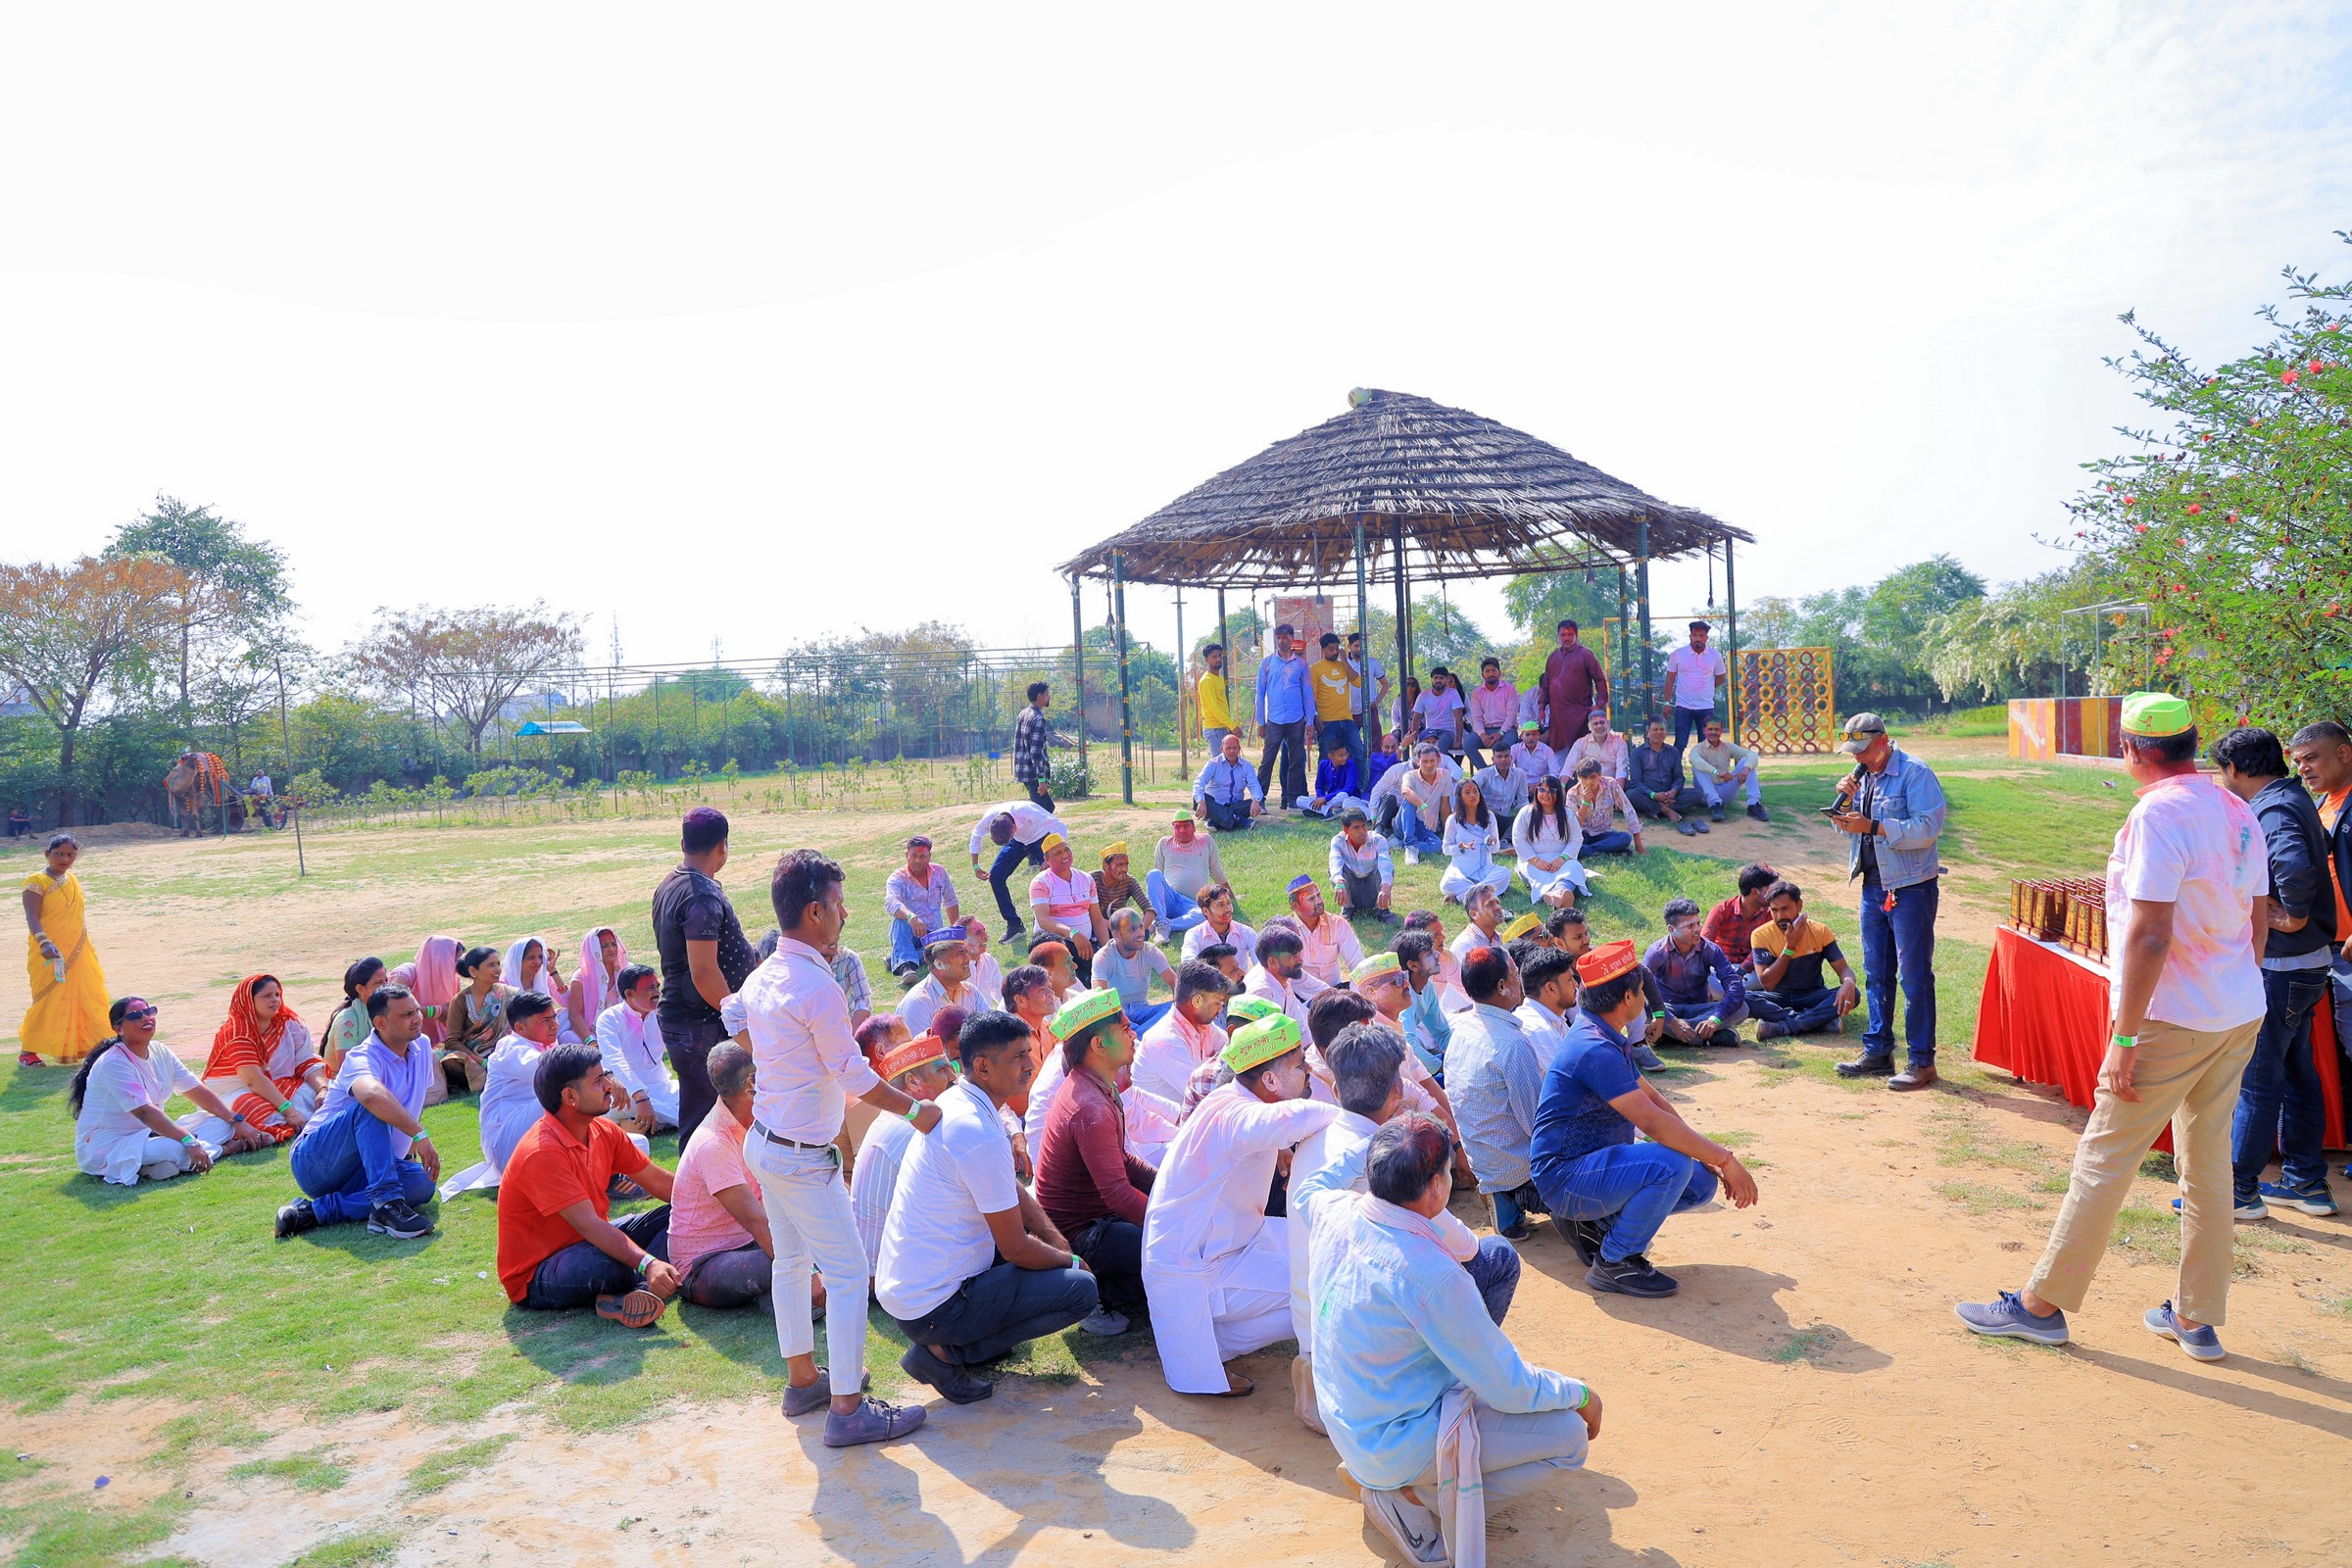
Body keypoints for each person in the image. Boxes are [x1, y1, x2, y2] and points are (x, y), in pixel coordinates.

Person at [1957, 693, 2270, 1361]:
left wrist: (2124, 1039)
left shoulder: (2159, 814)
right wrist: (2235, 983)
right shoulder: (2236, 808)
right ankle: (2195, 1317)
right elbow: (2258, 917)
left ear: (2130, 750)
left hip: (2170, 1018)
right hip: (2235, 1008)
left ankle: (2040, 1307)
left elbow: (2152, 933)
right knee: (2207, 1166)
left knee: (2105, 1158)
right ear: (2192, 743)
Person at [1316, 1113, 1597, 1565]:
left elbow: (1312, 1184)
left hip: (1349, 1424)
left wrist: (1381, 1142)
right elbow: (1508, 1386)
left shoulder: (1333, 1209)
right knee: (1570, 1437)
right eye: (1449, 1170)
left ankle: (1405, 1485)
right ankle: (1413, 1499)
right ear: (1435, 1187)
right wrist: (1580, 1394)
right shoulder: (1431, 1273)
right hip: (1393, 1444)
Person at [740, 849, 941, 1445]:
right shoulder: (815, 984)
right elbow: (853, 1074)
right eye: (838, 904)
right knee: (850, 1275)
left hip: (767, 1143)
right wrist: (916, 1110)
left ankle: (804, 1380)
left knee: (791, 1264)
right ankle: (848, 1409)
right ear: (814, 912)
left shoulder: (763, 975)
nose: (845, 914)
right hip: (800, 1155)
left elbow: (738, 1024)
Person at [1287, 1023, 1517, 1434]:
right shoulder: (1394, 1158)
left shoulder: (1316, 1138)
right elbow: (1465, 1248)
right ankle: (1456, 1381)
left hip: (1316, 1328)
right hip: (1372, 1347)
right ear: (1398, 1092)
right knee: (1497, 1255)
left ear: (1336, 1090)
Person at [879, 1009, 1102, 1403]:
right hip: (933, 1305)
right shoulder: (974, 1128)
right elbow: (1016, 1248)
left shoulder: (964, 1101)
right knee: (1081, 1290)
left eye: (1029, 1053)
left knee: (1051, 1264)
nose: (1030, 1065)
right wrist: (1069, 1261)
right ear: (982, 1067)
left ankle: (954, 1343)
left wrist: (1054, 1239)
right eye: (1018, 1056)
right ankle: (943, 1356)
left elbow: (1009, 1190)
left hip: (919, 1291)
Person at [1531, 942, 1758, 1298]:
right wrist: (1726, 1159)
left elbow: (1655, 1102)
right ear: (1627, 998)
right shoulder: (1593, 1047)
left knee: (1699, 1180)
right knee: (1671, 1165)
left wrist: (1708, 1158)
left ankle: (1595, 1225)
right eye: (1641, 990)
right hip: (1564, 1178)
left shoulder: (1602, 1032)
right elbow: (1653, 1124)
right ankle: (1616, 1261)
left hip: (1583, 1168)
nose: (1645, 998)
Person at [1144, 1014, 1342, 1396]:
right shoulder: (1235, 1112)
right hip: (1201, 1265)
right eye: (1299, 1066)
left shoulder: (1232, 1100)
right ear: (1269, 1080)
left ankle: (1212, 1340)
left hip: (1233, 1242)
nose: (1308, 1073)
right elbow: (1290, 1117)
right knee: (1324, 1285)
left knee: (1324, 1249)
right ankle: (1212, 1345)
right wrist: (1356, 1119)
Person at [2215, 725, 2334, 1220]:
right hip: (2306, 964)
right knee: (2296, 1072)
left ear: (2234, 769)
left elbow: (2294, 866)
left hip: (2283, 965)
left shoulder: (2274, 808)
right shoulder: (2291, 796)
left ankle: (2238, 1191)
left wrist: (2291, 917)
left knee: (2258, 1079)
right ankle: (2305, 1182)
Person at [494, 1041, 680, 1326]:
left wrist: (714, 1200)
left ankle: (642, 1290)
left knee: (681, 1216)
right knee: (610, 1265)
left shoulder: (603, 1130)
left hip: (589, 1242)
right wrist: (648, 1262)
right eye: (598, 1081)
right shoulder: (541, 1152)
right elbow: (590, 1225)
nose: (609, 1086)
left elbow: (658, 1182)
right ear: (570, 1096)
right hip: (538, 1274)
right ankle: (645, 1279)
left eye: (605, 1076)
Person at [1827, 713, 1949, 1091]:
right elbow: (1848, 828)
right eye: (1854, 752)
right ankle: (1878, 1051)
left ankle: (1922, 1061)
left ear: (1884, 741)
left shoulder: (1915, 773)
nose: (1858, 758)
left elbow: (1928, 827)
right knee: (1876, 972)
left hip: (1911, 887)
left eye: (1864, 750)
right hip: (1873, 885)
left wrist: (1875, 826)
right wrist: (1844, 805)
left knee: (1913, 975)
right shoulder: (1863, 777)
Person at [1035, 989, 1157, 1335]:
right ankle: (1094, 1292)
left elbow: (1121, 1160)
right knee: (1177, 1253)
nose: (1134, 1034)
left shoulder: (1096, 1085)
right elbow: (1118, 1194)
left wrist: (1165, 1186)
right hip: (1082, 1235)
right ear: (1099, 1045)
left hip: (1097, 1218)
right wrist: (1168, 1223)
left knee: (1175, 1245)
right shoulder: (1090, 1106)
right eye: (1124, 1029)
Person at [276, 984, 440, 1242]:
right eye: (407, 1014)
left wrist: (407, 1153)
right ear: (381, 1023)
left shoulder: (422, 1045)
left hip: (366, 1167)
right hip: (316, 1162)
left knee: (423, 1183)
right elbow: (371, 1096)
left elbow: (412, 1104)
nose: (417, 1018)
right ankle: (385, 1204)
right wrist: (420, 1135)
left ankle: (313, 1213)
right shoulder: (361, 1056)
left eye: (417, 1010)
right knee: (370, 1105)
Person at [653, 807, 760, 1146]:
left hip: (691, 1021)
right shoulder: (699, 896)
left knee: (705, 1116)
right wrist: (738, 1018)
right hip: (702, 1026)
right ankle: (700, 1181)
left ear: (684, 843)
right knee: (711, 1122)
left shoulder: (672, 883)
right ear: (723, 846)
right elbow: (703, 971)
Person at [71, 997, 253, 1184]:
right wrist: (189, 1141)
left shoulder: (160, 1050)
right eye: (135, 1016)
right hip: (110, 1146)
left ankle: (153, 1166)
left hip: (152, 1134)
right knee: (173, 1148)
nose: (145, 1018)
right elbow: (144, 1112)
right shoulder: (113, 1063)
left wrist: (235, 1120)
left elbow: (196, 1089)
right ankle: (228, 1149)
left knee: (222, 1124)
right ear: (119, 1029)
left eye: (149, 1012)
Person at [665, 1042, 786, 1311]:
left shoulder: (755, 1117)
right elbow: (755, 1221)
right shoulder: (714, 1143)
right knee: (795, 1259)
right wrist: (809, 1272)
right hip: (701, 1267)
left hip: (746, 1244)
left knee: (811, 1241)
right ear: (752, 1083)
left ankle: (780, 1291)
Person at [1445, 944, 1550, 1240]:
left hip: (1482, 1159)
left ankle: (1503, 1196)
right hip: (1516, 1164)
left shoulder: (1462, 1030)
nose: (1520, 980)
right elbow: (1536, 1122)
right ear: (1502, 986)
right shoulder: (1512, 1044)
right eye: (1515, 974)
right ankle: (1520, 1193)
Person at [2288, 721, 2352, 1189]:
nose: (2303, 768)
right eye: (2298, 760)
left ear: (2344, 753)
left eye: (2312, 757)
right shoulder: (2324, 803)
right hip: (2325, 951)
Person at [850, 1030, 960, 1270]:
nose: (954, 1077)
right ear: (913, 1083)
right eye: (943, 1069)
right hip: (888, 1271)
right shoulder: (911, 1132)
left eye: (951, 1067)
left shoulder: (898, 1119)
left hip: (887, 1263)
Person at [189, 974, 324, 1149]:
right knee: (252, 1106)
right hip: (235, 1092)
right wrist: (289, 1111)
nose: (275, 1000)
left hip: (279, 1085)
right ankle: (273, 1128)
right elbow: (253, 1080)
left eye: (277, 994)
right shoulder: (237, 1033)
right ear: (248, 1000)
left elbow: (307, 1060)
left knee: (317, 1093)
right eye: (267, 996)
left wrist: (323, 1089)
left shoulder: (289, 1024)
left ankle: (288, 1122)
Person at [20, 832, 110, 1066]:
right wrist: (43, 941)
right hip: (48, 950)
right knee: (48, 997)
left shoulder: (72, 879)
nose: (65, 859)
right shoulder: (36, 881)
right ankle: (28, 1051)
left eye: (71, 854)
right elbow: (31, 916)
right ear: (47, 854)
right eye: (59, 854)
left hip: (78, 950)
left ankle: (91, 1046)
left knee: (88, 995)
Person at [1130, 961, 1233, 1156]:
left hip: (1189, 1124)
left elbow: (1232, 1049)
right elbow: (1206, 1094)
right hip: (1159, 1140)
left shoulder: (1203, 1025)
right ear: (1197, 1001)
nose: (1221, 1009)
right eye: (1218, 1002)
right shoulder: (1166, 1041)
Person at [1748, 882, 1861, 1040]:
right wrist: (1790, 947)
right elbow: (1768, 984)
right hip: (1779, 998)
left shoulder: (1819, 931)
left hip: (1813, 996)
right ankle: (1818, 1022)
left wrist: (1848, 982)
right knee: (1742, 998)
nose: (1780, 916)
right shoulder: (1761, 935)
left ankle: (1783, 1026)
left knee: (1854, 993)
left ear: (1799, 905)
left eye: (1785, 908)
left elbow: (1844, 969)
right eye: (1774, 910)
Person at [1643, 897, 1749, 1046]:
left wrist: (1715, 1018)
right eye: (1690, 926)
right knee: (1642, 1009)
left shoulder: (1710, 949)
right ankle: (1703, 1036)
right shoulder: (1657, 952)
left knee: (1743, 1007)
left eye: (1698, 923)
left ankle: (1672, 1035)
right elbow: (1643, 989)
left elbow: (1734, 986)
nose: (1697, 929)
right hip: (1667, 1009)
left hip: (1701, 1010)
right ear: (1671, 930)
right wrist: (1672, 1022)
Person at [966, 799, 1070, 942]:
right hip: (1017, 842)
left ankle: (1053, 922)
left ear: (1014, 829)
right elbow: (976, 835)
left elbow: (1060, 827)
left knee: (1052, 877)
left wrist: (1051, 858)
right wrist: (975, 865)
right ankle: (1014, 925)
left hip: (1040, 839)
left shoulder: (1027, 810)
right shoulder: (990, 816)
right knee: (996, 877)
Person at [596, 964, 678, 1135]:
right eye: (650, 988)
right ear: (629, 994)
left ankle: (643, 1123)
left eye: (657, 987)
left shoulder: (661, 1014)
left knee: (695, 1093)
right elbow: (614, 1059)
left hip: (663, 1088)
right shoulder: (609, 1019)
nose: (657, 993)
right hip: (626, 1095)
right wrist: (640, 1096)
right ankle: (692, 1121)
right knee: (643, 1105)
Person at [883, 835, 962, 981]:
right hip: (908, 932)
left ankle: (896, 958)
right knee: (899, 922)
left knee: (944, 950)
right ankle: (907, 967)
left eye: (923, 856)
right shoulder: (897, 878)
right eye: (914, 856)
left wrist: (955, 931)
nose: (918, 860)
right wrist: (911, 917)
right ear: (906, 855)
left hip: (933, 933)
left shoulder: (939, 872)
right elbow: (890, 902)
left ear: (929, 856)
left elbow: (950, 900)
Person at [1029, 832, 1104, 983]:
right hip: (1055, 945)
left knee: (1105, 970)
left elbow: (1097, 920)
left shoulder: (1086, 879)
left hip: (1085, 943)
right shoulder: (1040, 883)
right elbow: (1044, 921)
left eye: (1066, 850)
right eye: (1058, 853)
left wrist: (1106, 950)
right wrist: (1073, 934)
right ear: (1047, 860)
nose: (1064, 855)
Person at [1256, 622, 1314, 810]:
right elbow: (1260, 694)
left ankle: (1293, 799)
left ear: (1291, 638)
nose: (1281, 641)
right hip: (1274, 719)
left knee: (1296, 760)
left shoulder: (1301, 664)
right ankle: (1259, 799)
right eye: (1279, 638)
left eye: (1285, 637)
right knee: (1267, 760)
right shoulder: (1267, 663)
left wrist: (1310, 721)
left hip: (1296, 719)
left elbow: (1308, 693)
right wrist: (1260, 722)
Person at [1512, 774, 1588, 910]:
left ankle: (1558, 893)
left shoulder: (1567, 814)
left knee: (1574, 867)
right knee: (1534, 872)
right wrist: (1536, 861)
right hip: (1533, 860)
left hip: (1561, 860)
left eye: (1550, 791)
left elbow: (1576, 838)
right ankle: (1557, 896)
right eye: (1542, 790)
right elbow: (1518, 839)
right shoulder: (1526, 812)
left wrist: (1562, 858)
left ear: (1558, 793)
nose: (1545, 794)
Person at [1095, 908, 1176, 1031]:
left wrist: (1178, 1010)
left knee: (1173, 1009)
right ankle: (1145, 1033)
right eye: (1132, 930)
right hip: (1117, 1014)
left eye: (1141, 927)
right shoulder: (1103, 956)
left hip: (1143, 1010)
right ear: (1117, 935)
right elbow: (1100, 997)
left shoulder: (1150, 951)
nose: (1140, 933)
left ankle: (1134, 1034)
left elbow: (1174, 981)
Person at [1539, 618, 1611, 754]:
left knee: (1582, 755)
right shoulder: (1553, 657)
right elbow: (1546, 686)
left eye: (1570, 634)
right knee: (1558, 757)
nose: (1566, 638)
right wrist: (1542, 708)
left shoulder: (1586, 655)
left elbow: (1600, 681)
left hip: (1580, 716)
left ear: (1576, 635)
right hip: (1558, 717)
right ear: (1558, 636)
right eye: (1563, 635)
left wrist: (1598, 705)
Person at [902, 926, 987, 1037]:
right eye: (960, 954)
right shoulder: (919, 1002)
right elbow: (923, 1047)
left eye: (966, 952)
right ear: (939, 964)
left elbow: (989, 1031)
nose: (968, 958)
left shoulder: (971, 991)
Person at [1438, 778, 1510, 906]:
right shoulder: (1453, 820)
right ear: (1460, 797)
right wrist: (1460, 847)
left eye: (1475, 791)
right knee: (1446, 884)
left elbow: (1495, 849)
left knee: (1504, 873)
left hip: (1485, 869)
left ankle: (1461, 897)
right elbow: (1446, 848)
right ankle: (1489, 891)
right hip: (1461, 871)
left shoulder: (1489, 817)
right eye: (1467, 792)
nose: (1473, 795)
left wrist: (1491, 843)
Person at [1629, 718, 1707, 836]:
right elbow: (1636, 782)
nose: (1659, 732)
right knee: (1631, 794)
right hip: (1649, 795)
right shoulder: (1637, 753)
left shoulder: (1673, 751)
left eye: (1662, 729)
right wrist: (1653, 795)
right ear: (1648, 732)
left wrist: (1673, 792)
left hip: (1670, 795)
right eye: (1655, 729)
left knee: (1696, 793)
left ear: (1666, 732)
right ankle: (1665, 810)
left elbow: (1679, 778)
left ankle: (1653, 809)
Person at [1309, 631, 1365, 794]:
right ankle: (1324, 794)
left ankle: (1360, 790)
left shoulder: (1343, 665)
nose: (1334, 652)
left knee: (1359, 754)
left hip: (1347, 720)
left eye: (1336, 648)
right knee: (1326, 758)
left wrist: (1345, 661)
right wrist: (1315, 716)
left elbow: (1358, 682)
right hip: (1327, 722)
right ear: (1322, 650)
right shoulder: (1315, 669)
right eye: (1330, 649)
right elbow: (1311, 696)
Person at [1394, 929, 1453, 1082]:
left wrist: (1459, 1058)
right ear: (1413, 965)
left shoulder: (1427, 988)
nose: (1437, 955)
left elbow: (1442, 1033)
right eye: (1429, 954)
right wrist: (1442, 1067)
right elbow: (1407, 1044)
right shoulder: (1402, 995)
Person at [1149, 814, 1222, 938]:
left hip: (1191, 905)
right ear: (1173, 829)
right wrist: (1149, 907)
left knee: (1203, 915)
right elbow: (1157, 881)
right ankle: (1160, 920)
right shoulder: (1164, 843)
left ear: (1194, 828)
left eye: (1186, 826)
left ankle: (1164, 924)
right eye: (1178, 827)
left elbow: (1215, 869)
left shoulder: (1205, 840)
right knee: (1153, 874)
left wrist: (1229, 896)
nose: (1182, 830)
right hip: (1170, 899)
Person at [1288, 873, 1366, 988]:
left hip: (1334, 991)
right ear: (1295, 906)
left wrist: (1355, 992)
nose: (1319, 901)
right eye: (1311, 899)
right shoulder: (1287, 930)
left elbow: (1357, 962)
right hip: (1300, 994)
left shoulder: (1338, 924)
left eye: (1319, 895)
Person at [1661, 620, 1728, 750]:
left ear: (1706, 638)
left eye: (1701, 635)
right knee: (1680, 744)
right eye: (1695, 635)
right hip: (1683, 706)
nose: (1698, 638)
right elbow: (1669, 680)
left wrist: (1709, 687)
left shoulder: (1715, 655)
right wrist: (1666, 703)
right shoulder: (1677, 654)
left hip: (1706, 706)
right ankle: (1677, 764)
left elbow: (1721, 677)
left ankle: (1703, 764)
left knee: (1707, 744)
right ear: (1690, 636)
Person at [387, 934, 462, 1049]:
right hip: (402, 1042)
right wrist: (437, 1011)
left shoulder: (453, 980)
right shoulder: (406, 973)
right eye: (455, 961)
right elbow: (396, 1008)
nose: (458, 966)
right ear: (439, 959)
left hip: (434, 1044)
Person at [1690, 718, 1768, 824]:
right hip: (1705, 794)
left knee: (1748, 761)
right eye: (1710, 729)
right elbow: (1694, 760)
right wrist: (1717, 772)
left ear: (1721, 731)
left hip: (1725, 790)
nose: (1713, 732)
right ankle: (1715, 805)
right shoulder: (1698, 748)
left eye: (1717, 729)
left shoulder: (1727, 747)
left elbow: (1752, 755)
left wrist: (1746, 769)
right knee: (1697, 767)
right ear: (1704, 730)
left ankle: (1753, 804)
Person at [1244, 922, 1322, 1028]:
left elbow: (1301, 1027)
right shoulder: (1262, 993)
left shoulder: (1284, 983)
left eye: (1298, 953)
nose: (1300, 960)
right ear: (1272, 962)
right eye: (1292, 955)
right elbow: (1273, 1035)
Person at [1704, 864, 1780, 974]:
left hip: (1751, 970)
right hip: (1719, 966)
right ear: (1755, 891)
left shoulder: (1771, 914)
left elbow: (1761, 949)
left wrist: (1742, 971)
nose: (1776, 893)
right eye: (1772, 889)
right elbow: (1705, 944)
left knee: (1770, 975)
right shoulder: (1721, 911)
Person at [1513, 944, 1579, 1065]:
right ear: (1551, 988)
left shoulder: (1553, 1018)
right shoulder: (1537, 1028)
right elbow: (1574, 1073)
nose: (1576, 985)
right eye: (1570, 979)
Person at [321, 957, 388, 1076]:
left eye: (386, 981)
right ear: (360, 989)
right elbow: (347, 1069)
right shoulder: (348, 1020)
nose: (386, 986)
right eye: (378, 983)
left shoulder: (381, 1011)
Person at [1395, 743, 1458, 863]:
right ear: (1418, 762)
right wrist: (1424, 807)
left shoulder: (1445, 775)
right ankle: (1410, 846)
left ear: (1439, 760)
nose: (1429, 765)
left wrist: (1448, 832)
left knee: (1437, 846)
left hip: (1425, 826)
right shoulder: (1410, 775)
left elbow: (1445, 805)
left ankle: (1398, 844)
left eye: (1432, 761)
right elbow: (1405, 791)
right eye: (1425, 761)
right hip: (1404, 823)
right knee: (1409, 800)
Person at [1328, 809, 1396, 920]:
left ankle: (1382, 909)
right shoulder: (1338, 840)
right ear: (1346, 829)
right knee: (1336, 871)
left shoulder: (1378, 839)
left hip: (1374, 888)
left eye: (1364, 826)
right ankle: (1347, 908)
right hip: (1351, 888)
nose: (1362, 831)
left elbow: (1385, 861)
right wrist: (1339, 883)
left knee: (1386, 868)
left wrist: (1385, 885)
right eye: (1356, 828)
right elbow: (1334, 861)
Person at [1567, 759, 1643, 857]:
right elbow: (1574, 825)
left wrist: (1638, 843)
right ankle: (1609, 851)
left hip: (1604, 833)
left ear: (1600, 775)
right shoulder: (1573, 793)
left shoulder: (1611, 784)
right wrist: (1585, 804)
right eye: (1584, 778)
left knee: (1625, 838)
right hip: (1583, 835)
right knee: (1570, 843)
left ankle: (1589, 851)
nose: (1589, 782)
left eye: (1593, 777)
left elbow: (1627, 809)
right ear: (1578, 777)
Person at [566, 925, 628, 1046]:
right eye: (604, 946)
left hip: (624, 1029)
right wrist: (591, 1041)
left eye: (613, 944)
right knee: (567, 1037)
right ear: (592, 948)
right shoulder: (581, 977)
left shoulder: (626, 970)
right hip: (594, 1033)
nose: (611, 949)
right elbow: (574, 1015)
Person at [1194, 730, 1266, 832]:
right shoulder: (1213, 764)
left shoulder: (1246, 766)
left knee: (1259, 800)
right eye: (1228, 748)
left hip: (1236, 805)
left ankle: (1216, 820)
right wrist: (1201, 802)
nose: (1232, 751)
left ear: (1239, 749)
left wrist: (1256, 800)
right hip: (1216, 804)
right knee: (1198, 798)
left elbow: (1254, 785)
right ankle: (1237, 820)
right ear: (1221, 749)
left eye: (1234, 748)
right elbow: (1199, 782)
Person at [501, 935, 571, 1038]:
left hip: (545, 1026)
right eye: (531, 958)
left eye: (540, 957)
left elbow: (568, 1003)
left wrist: (552, 971)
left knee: (569, 1015)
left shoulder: (544, 977)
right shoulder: (504, 984)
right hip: (520, 1032)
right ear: (518, 960)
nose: (538, 962)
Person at [1180, 882, 1257, 969]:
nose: (1228, 909)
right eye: (1220, 905)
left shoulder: (1247, 933)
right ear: (1206, 911)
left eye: (1229, 903)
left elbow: (1262, 965)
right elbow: (1188, 964)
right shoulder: (1195, 935)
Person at [1463, 657, 1519, 770]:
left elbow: (1511, 716)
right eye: (1487, 671)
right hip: (1485, 730)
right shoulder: (1477, 692)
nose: (1491, 674)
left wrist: (1500, 733)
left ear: (1499, 673)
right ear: (1482, 675)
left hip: (1506, 730)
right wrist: (1483, 735)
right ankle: (1485, 772)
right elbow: (1476, 718)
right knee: (1468, 744)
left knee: (1505, 746)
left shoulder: (1510, 689)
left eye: (1494, 670)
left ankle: (1500, 772)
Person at [1012, 680, 1057, 812]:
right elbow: (1036, 753)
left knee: (1048, 808)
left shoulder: (1023, 713)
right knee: (1041, 814)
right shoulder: (1038, 719)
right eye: (1047, 693)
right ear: (1039, 696)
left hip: (1024, 770)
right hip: (1034, 775)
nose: (1049, 696)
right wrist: (1041, 779)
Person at [1299, 740, 1368, 817]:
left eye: (1346, 754)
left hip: (1346, 799)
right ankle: (1332, 810)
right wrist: (1320, 798)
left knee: (1343, 795)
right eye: (1341, 755)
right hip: (1332, 800)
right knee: (1300, 800)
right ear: (1331, 756)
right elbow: (1319, 786)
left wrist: (1325, 798)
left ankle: (1319, 810)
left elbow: (1349, 789)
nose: (1345, 757)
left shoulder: (1350, 764)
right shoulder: (1323, 765)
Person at [1348, 631, 1391, 758]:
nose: (1359, 649)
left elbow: (1385, 684)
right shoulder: (1343, 663)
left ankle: (1374, 766)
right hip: (1348, 711)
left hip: (1369, 709)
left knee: (1375, 741)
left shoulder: (1372, 662)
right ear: (1349, 646)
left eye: (1362, 646)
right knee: (1350, 745)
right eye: (1356, 646)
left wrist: (1376, 702)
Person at [1473, 737, 1531, 827]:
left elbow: (1523, 802)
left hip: (1504, 819)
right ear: (1493, 759)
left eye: (1506, 756)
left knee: (1517, 822)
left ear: (1511, 758)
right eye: (1499, 756)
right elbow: (1471, 785)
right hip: (1485, 818)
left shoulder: (1519, 774)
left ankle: (1507, 837)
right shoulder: (1485, 773)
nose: (1503, 760)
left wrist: (1527, 819)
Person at [1563, 708, 1631, 783]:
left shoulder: (1619, 743)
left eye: (1602, 723)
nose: (1599, 726)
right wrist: (1562, 786)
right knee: (1568, 784)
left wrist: (1617, 789)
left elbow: (1621, 771)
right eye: (1595, 724)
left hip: (1610, 785)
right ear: (1589, 726)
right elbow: (1568, 768)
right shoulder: (1580, 743)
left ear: (1608, 724)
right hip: (1587, 785)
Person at [1414, 667, 1467, 757]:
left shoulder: (1453, 693)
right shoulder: (1423, 695)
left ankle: (1440, 765)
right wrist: (1415, 739)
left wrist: (1458, 740)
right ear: (1431, 679)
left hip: (1448, 731)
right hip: (1430, 731)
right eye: (1436, 678)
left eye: (1441, 678)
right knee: (1420, 748)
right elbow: (1416, 718)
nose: (1438, 680)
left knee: (1440, 745)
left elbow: (1459, 717)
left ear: (1446, 680)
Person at [1196, 642, 1235, 757]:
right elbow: (1214, 708)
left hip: (1223, 727)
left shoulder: (1219, 679)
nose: (1218, 659)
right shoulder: (1207, 680)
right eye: (1214, 657)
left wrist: (1228, 726)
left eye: (1219, 656)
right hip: (1214, 729)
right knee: (1219, 763)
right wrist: (1232, 726)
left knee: (1228, 762)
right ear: (1206, 660)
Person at [961, 916, 1005, 1009]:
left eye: (984, 931)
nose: (986, 936)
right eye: (978, 932)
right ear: (963, 941)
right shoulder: (956, 968)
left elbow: (1003, 996)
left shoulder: (988, 960)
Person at [1509, 717, 1559, 789]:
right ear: (1521, 736)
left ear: (1539, 735)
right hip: (1520, 785)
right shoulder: (1515, 749)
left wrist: (1539, 785)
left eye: (1534, 734)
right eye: (1527, 735)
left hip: (1541, 787)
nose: (1531, 738)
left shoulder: (1547, 750)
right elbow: (1508, 768)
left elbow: (1555, 773)